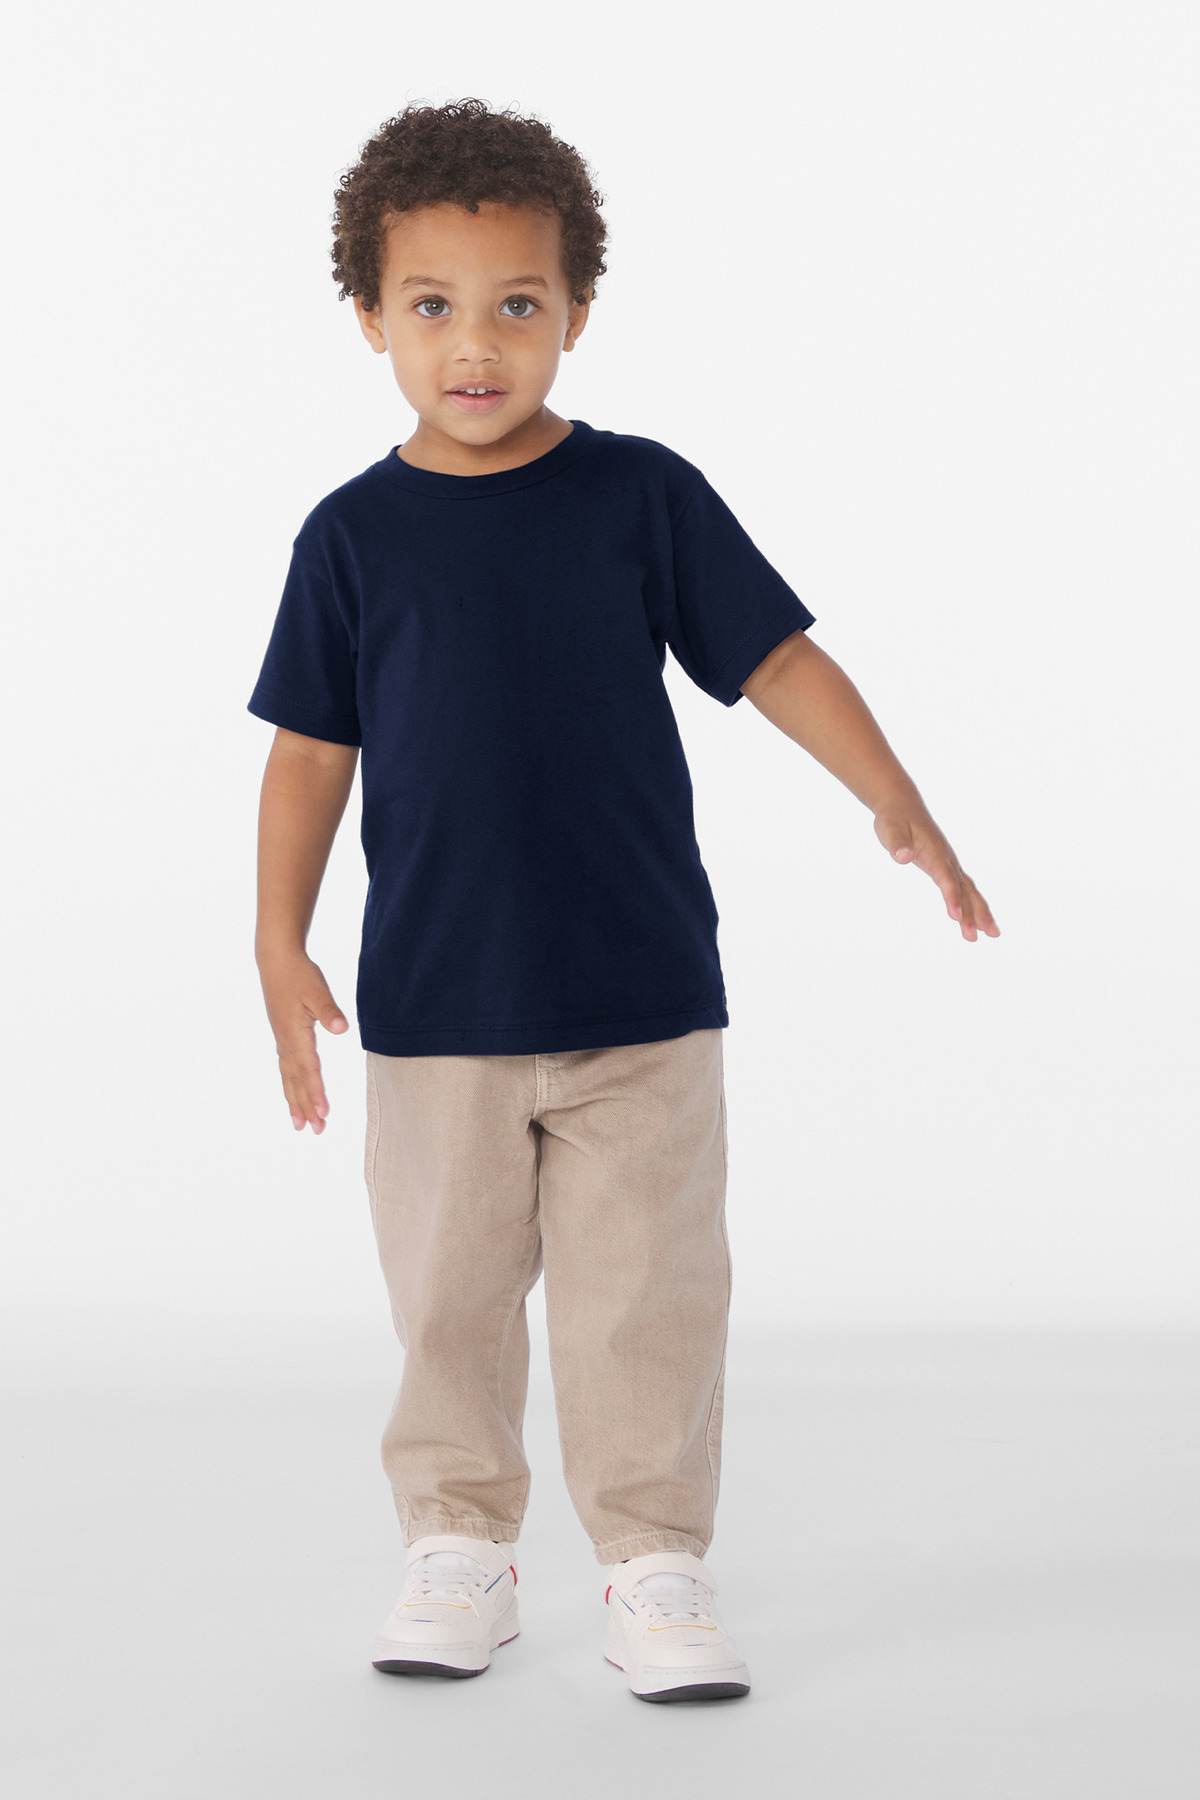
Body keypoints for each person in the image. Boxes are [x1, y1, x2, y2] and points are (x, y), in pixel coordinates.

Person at [247, 97, 999, 1706]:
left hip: (642, 996)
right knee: (446, 1296)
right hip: (437, 1005)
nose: (476, 343)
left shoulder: (640, 495)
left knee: (644, 1297)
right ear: (369, 316)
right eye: (432, 305)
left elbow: (775, 659)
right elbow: (310, 753)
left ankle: (654, 1559)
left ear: (576, 311)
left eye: (518, 303)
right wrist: (273, 938)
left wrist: (893, 794)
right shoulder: (352, 538)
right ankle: (457, 1542)